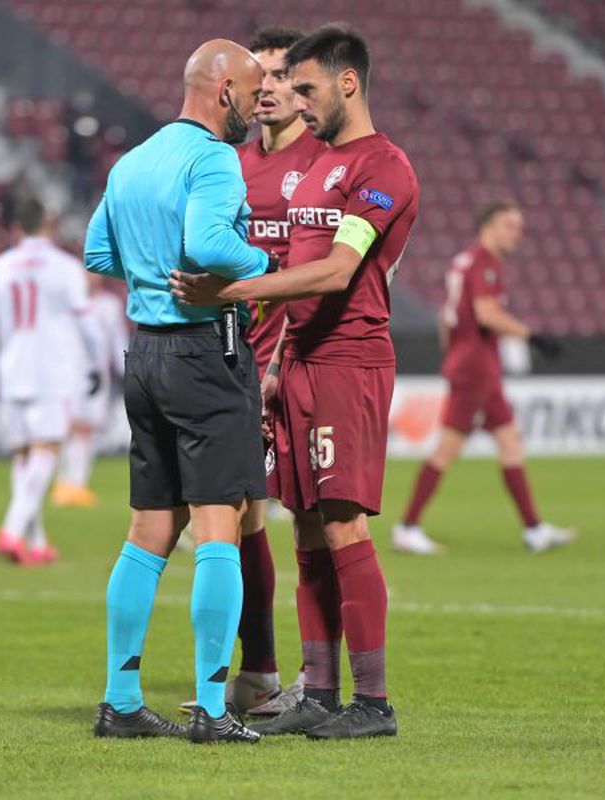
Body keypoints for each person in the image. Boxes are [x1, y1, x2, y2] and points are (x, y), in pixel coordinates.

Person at [170, 25, 418, 739]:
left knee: (342, 523)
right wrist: (273, 364)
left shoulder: (384, 167)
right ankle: (318, 691)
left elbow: (338, 273)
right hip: (301, 362)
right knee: (308, 530)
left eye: (306, 88)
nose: (293, 101)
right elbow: (295, 288)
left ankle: (371, 704)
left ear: (348, 83)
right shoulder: (319, 169)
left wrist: (231, 290)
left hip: (349, 360)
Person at [85, 39, 273, 744]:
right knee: (218, 523)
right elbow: (209, 244)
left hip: (146, 356)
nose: (256, 113)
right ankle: (212, 709)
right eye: (252, 97)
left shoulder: (132, 161)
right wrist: (267, 262)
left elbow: (98, 252)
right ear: (222, 89)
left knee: (149, 529)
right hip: (204, 352)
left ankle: (121, 700)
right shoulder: (212, 159)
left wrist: (150, 272)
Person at [181, 26, 325, 719]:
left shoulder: (323, 166)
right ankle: (261, 671)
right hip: (232, 363)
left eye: (279, 75)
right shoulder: (230, 162)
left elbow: (325, 274)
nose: (266, 87)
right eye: (260, 75)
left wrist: (280, 356)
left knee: (312, 523)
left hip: (291, 363)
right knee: (243, 521)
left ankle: (313, 678)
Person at [393, 200, 575, 555]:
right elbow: (486, 312)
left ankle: (534, 530)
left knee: (510, 442)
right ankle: (407, 526)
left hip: (477, 364)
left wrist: (456, 353)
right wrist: (532, 336)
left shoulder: (465, 262)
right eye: (510, 225)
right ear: (489, 225)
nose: (517, 233)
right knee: (447, 449)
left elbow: (447, 319)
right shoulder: (484, 263)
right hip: (476, 367)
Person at [0, 195, 103, 565]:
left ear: (15, 228)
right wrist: (94, 364)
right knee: (46, 451)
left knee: (24, 454)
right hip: (53, 372)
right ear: (49, 224)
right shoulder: (64, 267)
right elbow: (87, 322)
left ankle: (36, 541)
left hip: (12, 372)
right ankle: (11, 528)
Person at [51, 272, 128, 509]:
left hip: (98, 376)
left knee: (89, 430)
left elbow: (117, 340)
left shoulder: (109, 304)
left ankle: (76, 484)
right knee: (69, 427)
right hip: (69, 374)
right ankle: (66, 484)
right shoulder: (68, 303)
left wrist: (126, 369)